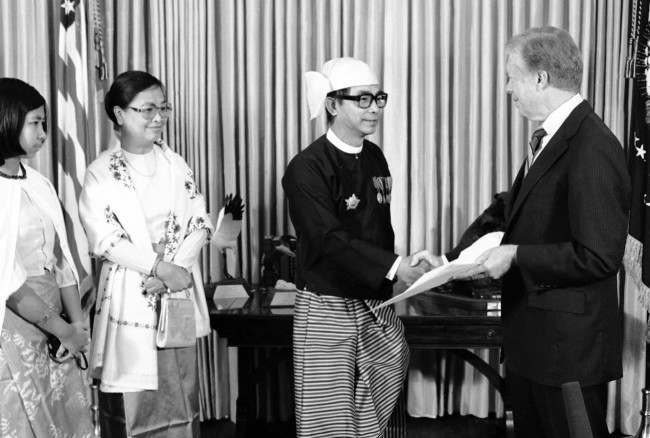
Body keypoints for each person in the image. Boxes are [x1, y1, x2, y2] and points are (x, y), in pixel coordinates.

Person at [423, 27, 630, 438]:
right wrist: (449, 262)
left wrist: (516, 256)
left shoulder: (592, 147)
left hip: (567, 355)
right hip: (535, 348)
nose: (506, 88)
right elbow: (511, 213)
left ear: (540, 78)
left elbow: (600, 256)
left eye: (511, 76)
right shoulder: (551, 138)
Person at [282, 57, 430, 438]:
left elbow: (378, 229)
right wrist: (395, 267)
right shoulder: (306, 168)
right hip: (327, 305)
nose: (375, 108)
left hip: (373, 300)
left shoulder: (375, 156)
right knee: (327, 419)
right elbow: (328, 240)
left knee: (381, 387)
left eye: (378, 98)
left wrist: (402, 266)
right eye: (362, 100)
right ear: (333, 105)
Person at [79, 71, 212, 437]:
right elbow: (104, 238)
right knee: (132, 398)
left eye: (163, 107)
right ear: (120, 115)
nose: (159, 117)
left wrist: (175, 270)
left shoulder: (175, 164)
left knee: (182, 390)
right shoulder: (100, 173)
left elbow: (199, 222)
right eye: (148, 109)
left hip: (175, 289)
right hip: (129, 292)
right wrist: (156, 266)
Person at [0, 77, 93, 437]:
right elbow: (7, 282)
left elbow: (62, 259)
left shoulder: (38, 182)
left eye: (43, 123)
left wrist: (76, 327)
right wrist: (63, 329)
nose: (43, 133)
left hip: (57, 327)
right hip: (14, 322)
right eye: (35, 123)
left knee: (65, 420)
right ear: (7, 121)